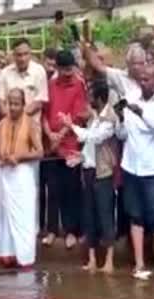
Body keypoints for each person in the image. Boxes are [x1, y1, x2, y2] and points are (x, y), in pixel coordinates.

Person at [115, 64, 154, 279]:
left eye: (148, 79)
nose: (143, 83)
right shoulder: (131, 96)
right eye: (141, 79)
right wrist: (121, 118)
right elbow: (123, 134)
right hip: (131, 165)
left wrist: (139, 111)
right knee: (135, 216)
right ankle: (139, 264)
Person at [63, 80, 119, 273]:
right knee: (90, 216)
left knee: (105, 215)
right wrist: (80, 158)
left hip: (103, 173)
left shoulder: (110, 118)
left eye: (91, 97)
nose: (88, 100)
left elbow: (94, 138)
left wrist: (71, 126)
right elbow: (89, 144)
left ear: (100, 99)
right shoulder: (95, 118)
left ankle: (109, 261)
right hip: (88, 171)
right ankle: (93, 259)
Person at [41, 50, 89, 249]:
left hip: (70, 145)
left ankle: (71, 231)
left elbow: (77, 116)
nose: (69, 73)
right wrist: (49, 135)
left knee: (71, 190)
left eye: (71, 69)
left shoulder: (79, 85)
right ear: (58, 68)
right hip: (50, 146)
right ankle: (52, 230)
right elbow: (43, 114)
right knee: (52, 190)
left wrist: (59, 136)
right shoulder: (50, 85)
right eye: (65, 70)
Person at [0, 88, 44, 268]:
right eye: (10, 103)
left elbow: (39, 152)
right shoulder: (1, 125)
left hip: (22, 176)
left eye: (16, 104)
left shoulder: (31, 124)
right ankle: (7, 254)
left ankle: (24, 257)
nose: (13, 107)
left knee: (23, 218)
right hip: (5, 175)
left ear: (23, 105)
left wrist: (19, 157)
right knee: (4, 216)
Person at [0, 38, 49, 117]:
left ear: (30, 54)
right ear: (13, 55)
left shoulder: (39, 71)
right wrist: (10, 118)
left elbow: (39, 102)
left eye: (26, 54)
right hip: (9, 124)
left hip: (32, 125)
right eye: (19, 55)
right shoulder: (5, 73)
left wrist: (18, 117)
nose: (23, 58)